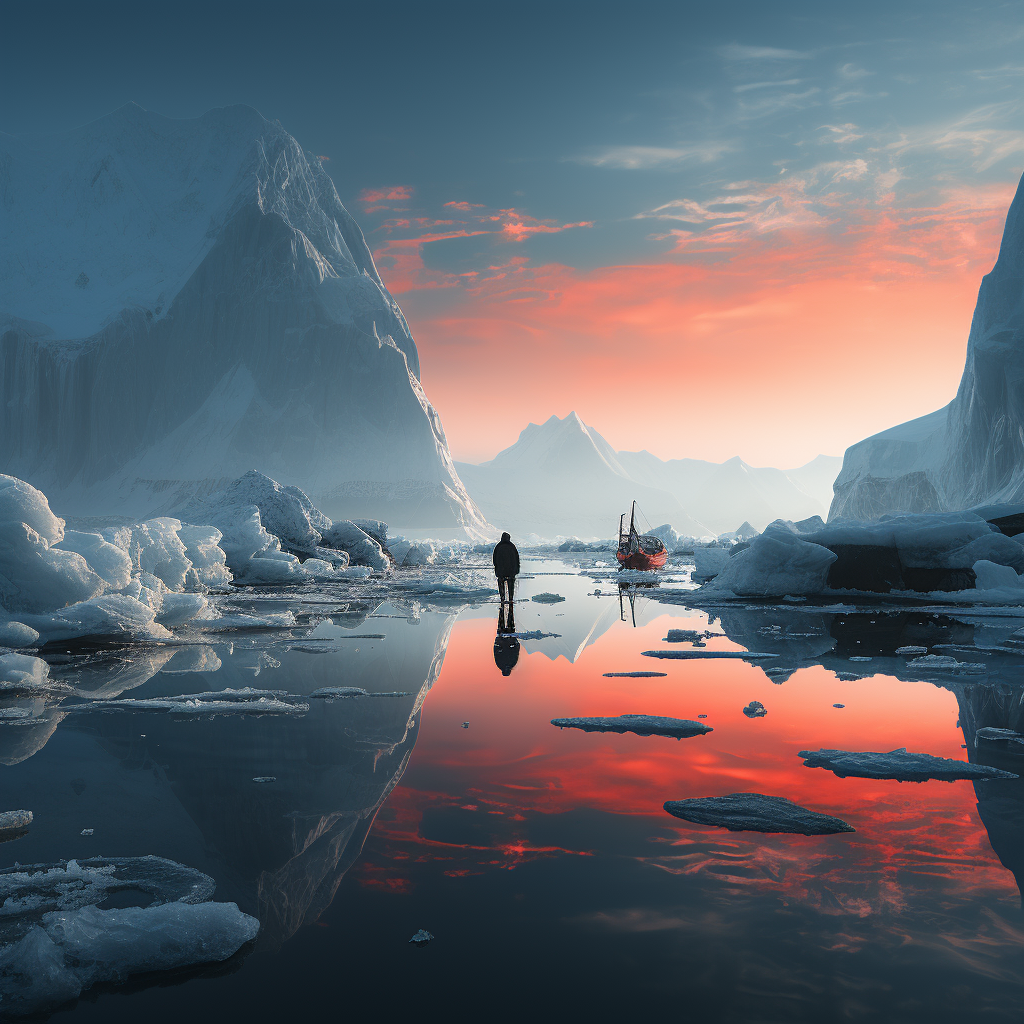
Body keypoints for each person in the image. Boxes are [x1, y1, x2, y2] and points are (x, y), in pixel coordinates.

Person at [492, 531, 520, 604]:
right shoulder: (512, 546)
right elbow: (517, 559)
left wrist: (497, 569)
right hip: (511, 571)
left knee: (501, 584)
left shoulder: (498, 546)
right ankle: (511, 599)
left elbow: (494, 560)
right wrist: (517, 569)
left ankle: (502, 599)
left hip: (501, 571)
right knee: (511, 586)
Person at [493, 603, 521, 676]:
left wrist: (497, 643)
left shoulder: (503, 664)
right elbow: (516, 652)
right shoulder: (511, 664)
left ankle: (504, 607)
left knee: (505, 622)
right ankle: (507, 607)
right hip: (507, 640)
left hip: (504, 641)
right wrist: (516, 643)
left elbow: (496, 652)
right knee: (508, 623)